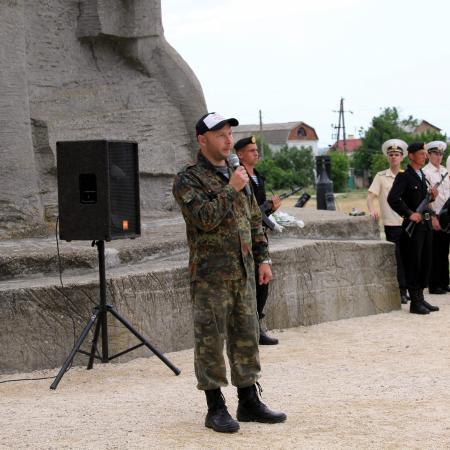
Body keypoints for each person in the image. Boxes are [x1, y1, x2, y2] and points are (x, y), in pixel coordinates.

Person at [172, 112, 286, 433]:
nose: (227, 140)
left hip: (243, 271)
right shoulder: (188, 179)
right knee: (210, 339)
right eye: (219, 134)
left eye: (229, 133)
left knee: (246, 336)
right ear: (202, 139)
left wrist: (263, 259)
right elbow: (205, 218)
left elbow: (254, 221)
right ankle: (215, 407)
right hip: (210, 276)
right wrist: (232, 188)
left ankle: (248, 400)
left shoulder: (238, 174)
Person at [235, 135, 280, 345]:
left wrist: (271, 208)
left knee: (263, 283)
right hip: (244, 240)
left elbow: (258, 212)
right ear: (240, 154)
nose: (256, 153)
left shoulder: (258, 177)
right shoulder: (238, 177)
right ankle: (248, 329)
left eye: (256, 150)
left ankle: (258, 325)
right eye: (251, 150)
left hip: (260, 237)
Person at [387, 142, 439, 314]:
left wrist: (431, 197)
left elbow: (421, 201)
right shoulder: (404, 176)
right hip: (413, 227)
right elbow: (393, 199)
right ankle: (415, 302)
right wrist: (409, 214)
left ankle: (421, 298)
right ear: (411, 156)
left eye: (425, 153)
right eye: (421, 153)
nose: (425, 156)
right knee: (414, 262)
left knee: (425, 262)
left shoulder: (421, 175)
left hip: (425, 225)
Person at [367, 139, 409, 304]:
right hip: (391, 224)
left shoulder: (406, 176)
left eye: (397, 155)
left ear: (402, 157)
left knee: (408, 258)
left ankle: (411, 289)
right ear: (387, 157)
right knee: (397, 260)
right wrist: (372, 210)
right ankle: (401, 292)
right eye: (391, 155)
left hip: (407, 223)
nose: (393, 157)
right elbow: (370, 196)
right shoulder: (381, 176)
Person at [423, 141, 450, 294]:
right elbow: (427, 197)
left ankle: (444, 282)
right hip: (434, 215)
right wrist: (432, 216)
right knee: (434, 251)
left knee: (444, 250)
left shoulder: (445, 171)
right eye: (435, 153)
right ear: (429, 155)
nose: (438, 157)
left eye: (440, 154)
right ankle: (434, 284)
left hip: (446, 215)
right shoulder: (426, 172)